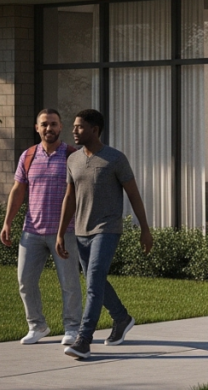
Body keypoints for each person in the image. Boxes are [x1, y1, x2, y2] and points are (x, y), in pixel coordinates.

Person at [56, 109, 153, 360]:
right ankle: (122, 318)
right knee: (94, 281)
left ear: (94, 130)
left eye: (79, 127)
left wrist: (145, 229)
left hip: (107, 229)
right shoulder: (73, 160)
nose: (74, 131)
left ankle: (84, 339)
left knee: (95, 278)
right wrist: (60, 233)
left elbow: (134, 195)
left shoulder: (115, 159)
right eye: (74, 126)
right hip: (81, 230)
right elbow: (69, 198)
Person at [2, 109, 82, 346]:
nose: (49, 128)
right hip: (31, 231)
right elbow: (17, 191)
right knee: (25, 281)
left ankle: (72, 327)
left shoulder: (72, 155)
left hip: (64, 232)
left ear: (61, 127)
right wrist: (7, 222)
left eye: (54, 124)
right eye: (44, 124)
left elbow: (82, 193)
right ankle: (37, 326)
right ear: (37, 128)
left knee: (69, 283)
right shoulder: (27, 156)